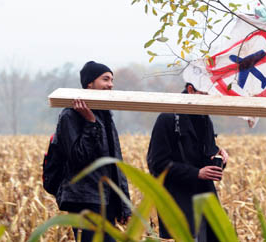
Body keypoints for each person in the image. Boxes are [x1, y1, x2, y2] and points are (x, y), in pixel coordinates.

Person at [54, 61, 131, 241]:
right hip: (84, 201)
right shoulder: (70, 115)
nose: (110, 84)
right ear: (90, 83)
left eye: (112, 80)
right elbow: (78, 157)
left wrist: (123, 204)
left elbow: (115, 164)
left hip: (107, 201)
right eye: (105, 79)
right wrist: (90, 123)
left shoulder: (105, 114)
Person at [146, 83, 229, 242]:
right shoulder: (167, 118)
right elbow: (157, 164)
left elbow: (207, 156)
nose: (209, 98)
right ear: (191, 89)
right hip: (178, 203)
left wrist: (219, 157)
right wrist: (196, 173)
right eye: (205, 93)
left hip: (205, 202)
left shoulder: (205, 119)